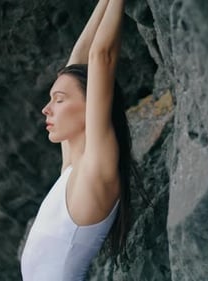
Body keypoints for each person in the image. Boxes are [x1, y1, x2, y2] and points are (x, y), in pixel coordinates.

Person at [20, 0, 136, 280]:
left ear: (91, 105)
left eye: (58, 100)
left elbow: (101, 56)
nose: (46, 109)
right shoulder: (73, 166)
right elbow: (78, 62)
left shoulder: (95, 169)